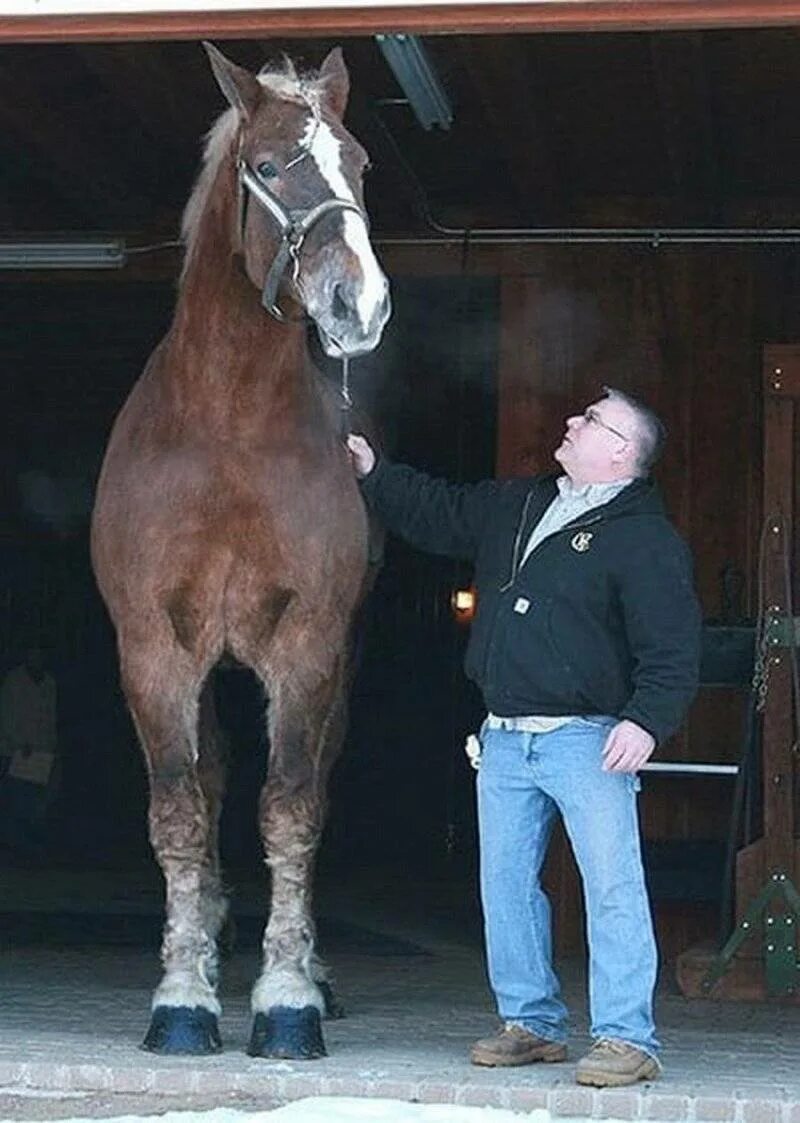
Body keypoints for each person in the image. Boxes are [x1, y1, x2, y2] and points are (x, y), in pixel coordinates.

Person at [347, 387, 701, 1088]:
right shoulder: (519, 503)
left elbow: (672, 643)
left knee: (612, 888)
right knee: (505, 885)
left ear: (622, 452)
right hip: (505, 735)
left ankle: (628, 1037)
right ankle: (533, 1024)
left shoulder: (644, 536)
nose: (572, 422)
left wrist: (647, 720)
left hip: (588, 738)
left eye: (592, 420)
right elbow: (440, 511)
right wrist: (371, 472)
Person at [0, 646, 59, 858]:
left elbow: (50, 716)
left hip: (42, 753)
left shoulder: (49, 683)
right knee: (15, 799)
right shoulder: (14, 680)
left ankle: (29, 849)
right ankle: (13, 849)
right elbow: (7, 714)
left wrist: (51, 745)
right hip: (15, 752)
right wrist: (18, 742)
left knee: (36, 801)